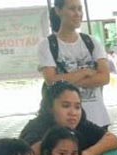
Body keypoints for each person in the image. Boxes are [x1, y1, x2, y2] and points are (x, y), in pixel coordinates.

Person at [20, 81, 117, 155]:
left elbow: (113, 140)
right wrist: (57, 137)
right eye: (66, 106)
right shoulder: (36, 127)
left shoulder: (81, 124)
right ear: (50, 108)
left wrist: (87, 153)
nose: (73, 113)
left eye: (77, 107)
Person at [38, 0, 111, 129]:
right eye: (72, 9)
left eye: (79, 9)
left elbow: (104, 77)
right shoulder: (48, 45)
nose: (77, 14)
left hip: (97, 119)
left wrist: (65, 81)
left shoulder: (91, 42)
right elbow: (51, 82)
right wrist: (85, 72)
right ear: (58, 10)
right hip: (65, 124)